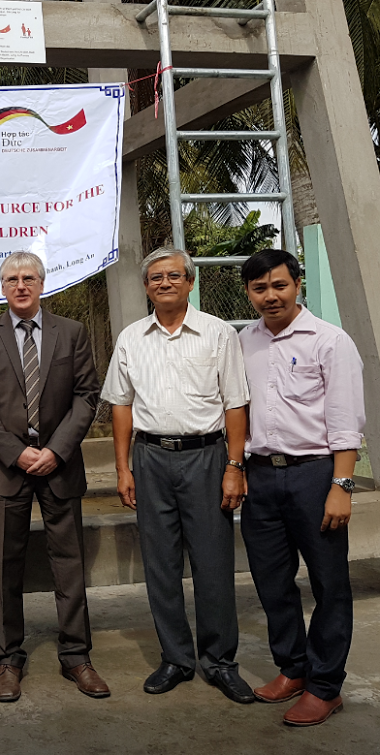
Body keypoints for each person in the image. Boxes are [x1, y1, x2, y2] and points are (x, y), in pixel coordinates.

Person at [101, 246, 254, 703]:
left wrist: (234, 465)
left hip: (207, 458)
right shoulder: (131, 338)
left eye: (173, 276)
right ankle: (176, 658)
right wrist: (122, 467)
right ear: (146, 287)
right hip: (150, 459)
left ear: (190, 282)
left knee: (213, 563)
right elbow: (121, 405)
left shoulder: (218, 334)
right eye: (155, 278)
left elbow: (235, 403)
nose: (164, 283)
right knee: (161, 565)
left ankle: (220, 662)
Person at [0, 251, 106, 703]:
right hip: (8, 468)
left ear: (42, 284)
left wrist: (55, 450)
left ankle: (77, 656)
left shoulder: (72, 332)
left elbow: (87, 396)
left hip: (58, 465)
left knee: (70, 564)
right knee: (7, 564)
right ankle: (8, 660)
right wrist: (17, 453)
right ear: (2, 286)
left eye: (28, 278)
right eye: (12, 279)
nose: (20, 285)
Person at [239, 249, 364, 726]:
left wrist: (342, 485)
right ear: (249, 293)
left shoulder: (329, 341)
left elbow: (346, 419)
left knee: (329, 583)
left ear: (297, 284)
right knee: (272, 581)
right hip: (261, 476)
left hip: (315, 474)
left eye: (279, 286)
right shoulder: (244, 342)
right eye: (260, 288)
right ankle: (293, 669)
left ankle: (326, 686)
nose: (270, 296)